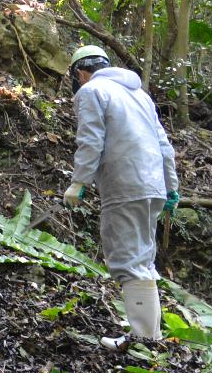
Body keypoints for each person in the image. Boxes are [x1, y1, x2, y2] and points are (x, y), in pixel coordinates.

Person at [62, 44, 179, 348]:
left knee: (128, 259)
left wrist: (79, 182)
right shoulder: (140, 95)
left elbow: (90, 140)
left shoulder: (91, 92)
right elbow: (164, 145)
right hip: (152, 185)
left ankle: (142, 341)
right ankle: (151, 338)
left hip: (124, 184)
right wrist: (171, 187)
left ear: (80, 72)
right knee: (142, 259)